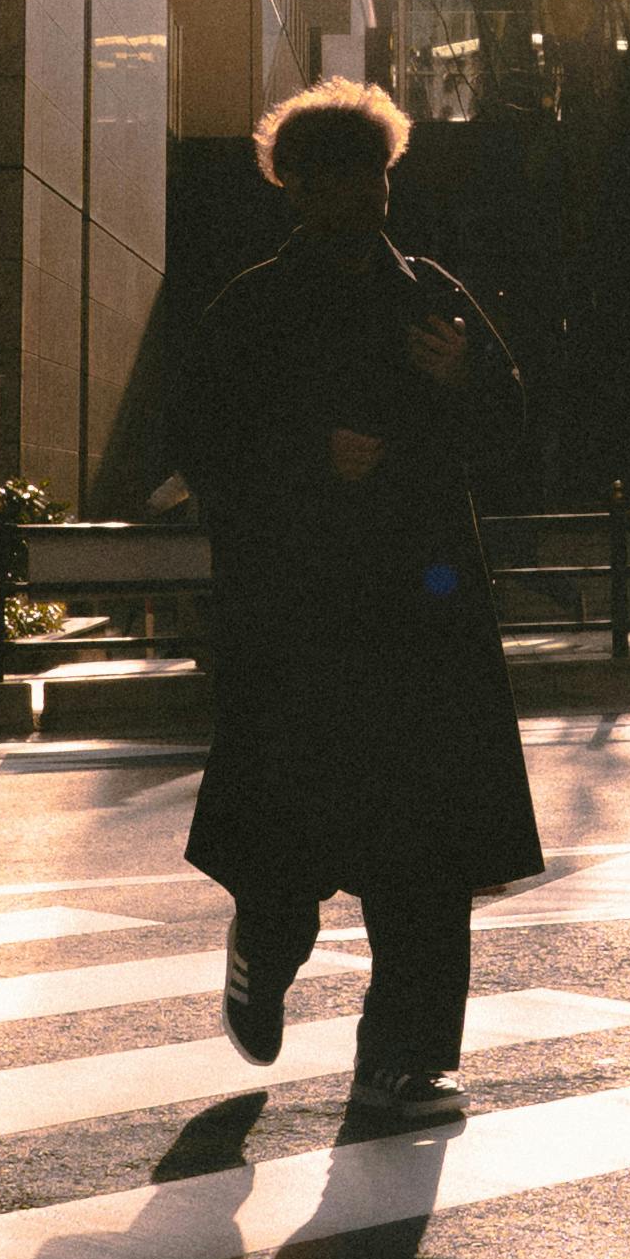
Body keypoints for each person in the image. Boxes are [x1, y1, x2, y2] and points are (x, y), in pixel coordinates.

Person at [174, 80, 542, 1125]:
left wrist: (469, 376)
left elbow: (514, 439)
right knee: (296, 842)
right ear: (296, 188)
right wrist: (306, 454)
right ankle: (266, 942)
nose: (364, 195)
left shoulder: (435, 294)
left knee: (423, 851)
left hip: (420, 612)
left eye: (375, 172)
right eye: (337, 177)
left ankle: (408, 1062)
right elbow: (199, 442)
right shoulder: (251, 306)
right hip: (307, 618)